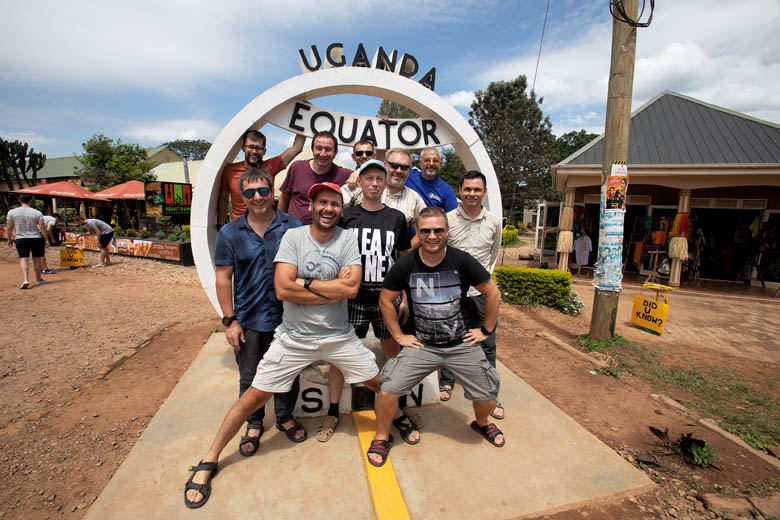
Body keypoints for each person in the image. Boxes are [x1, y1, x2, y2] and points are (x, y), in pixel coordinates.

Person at [184, 182, 381, 509]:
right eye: (322, 202)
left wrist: (306, 283)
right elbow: (283, 289)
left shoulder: (347, 239)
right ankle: (209, 459)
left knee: (379, 384)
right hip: (294, 337)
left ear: (341, 209)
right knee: (253, 396)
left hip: (338, 336)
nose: (328, 209)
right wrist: (329, 287)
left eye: (334, 203)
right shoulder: (293, 237)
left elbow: (351, 289)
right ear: (312, 206)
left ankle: (391, 426)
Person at [366, 207, 503, 467]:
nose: (432, 236)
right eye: (426, 230)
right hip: (423, 346)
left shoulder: (461, 260)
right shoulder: (405, 264)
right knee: (387, 390)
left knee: (488, 394)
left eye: (438, 230)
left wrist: (485, 330)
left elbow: (493, 293)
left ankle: (482, 422)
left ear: (447, 231)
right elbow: (385, 300)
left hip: (460, 344)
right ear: (417, 232)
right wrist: (399, 335)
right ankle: (382, 435)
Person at [319, 159, 416, 444]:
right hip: (353, 299)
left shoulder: (397, 218)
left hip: (386, 298)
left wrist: (405, 297)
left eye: (379, 179)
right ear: (359, 182)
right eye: (369, 178)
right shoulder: (347, 216)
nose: (374, 183)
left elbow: (402, 260)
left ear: (385, 184)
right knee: (340, 355)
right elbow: (333, 252)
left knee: (393, 353)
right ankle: (332, 411)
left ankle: (397, 408)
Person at [214, 167, 305, 455]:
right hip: (249, 319)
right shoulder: (230, 233)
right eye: (250, 192)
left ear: (272, 191)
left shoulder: (293, 227)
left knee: (288, 372)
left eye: (263, 190)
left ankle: (284, 416)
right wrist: (230, 321)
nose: (258, 197)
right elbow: (223, 278)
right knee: (249, 376)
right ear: (242, 196)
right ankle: (253, 423)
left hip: (288, 318)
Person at [440, 171, 504, 419]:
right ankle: (447, 381)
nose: (472, 194)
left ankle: (489, 392)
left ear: (484, 192)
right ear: (460, 191)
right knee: (451, 339)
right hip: (452, 293)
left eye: (477, 189)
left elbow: (493, 254)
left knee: (487, 343)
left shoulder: (494, 222)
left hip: (480, 294)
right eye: (467, 189)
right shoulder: (447, 220)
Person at [217, 129, 305, 224]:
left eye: (258, 148)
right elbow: (224, 199)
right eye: (251, 147)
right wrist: (220, 225)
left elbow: (297, 148)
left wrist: (303, 123)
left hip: (267, 226)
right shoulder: (229, 170)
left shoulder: (270, 167)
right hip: (239, 227)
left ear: (264, 151)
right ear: (243, 147)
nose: (254, 151)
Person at [278, 130, 352, 225]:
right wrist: (281, 222)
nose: (323, 154)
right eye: (319, 148)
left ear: (335, 152)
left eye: (328, 149)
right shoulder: (297, 167)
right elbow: (284, 198)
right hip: (293, 229)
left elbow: (366, 177)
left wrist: (358, 172)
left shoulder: (344, 174)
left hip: (326, 231)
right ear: (312, 149)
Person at [6, 194, 48, 289]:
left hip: (20, 238)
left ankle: (25, 279)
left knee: (24, 259)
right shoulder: (37, 213)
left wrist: (9, 239)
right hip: (36, 238)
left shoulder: (12, 212)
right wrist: (46, 239)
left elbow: (9, 227)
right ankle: (38, 279)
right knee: (37, 259)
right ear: (31, 201)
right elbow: (42, 227)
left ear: (20, 200)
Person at [404, 147, 458, 212]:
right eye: (427, 160)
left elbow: (453, 215)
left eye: (435, 161)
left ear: (440, 165)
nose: (431, 164)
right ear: (420, 164)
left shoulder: (446, 190)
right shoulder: (407, 175)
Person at [341, 139, 378, 207]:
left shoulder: (384, 181)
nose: (364, 156)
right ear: (353, 157)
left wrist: (361, 169)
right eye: (359, 153)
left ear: (374, 156)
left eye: (368, 153)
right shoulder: (350, 184)